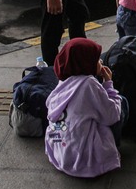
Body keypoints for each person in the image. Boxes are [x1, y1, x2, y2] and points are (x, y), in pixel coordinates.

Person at [45, 38, 126, 178]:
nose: (100, 62)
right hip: (82, 157)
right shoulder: (89, 84)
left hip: (60, 150)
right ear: (85, 64)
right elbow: (112, 115)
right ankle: (114, 144)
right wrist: (108, 84)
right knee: (121, 102)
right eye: (96, 60)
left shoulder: (64, 80)